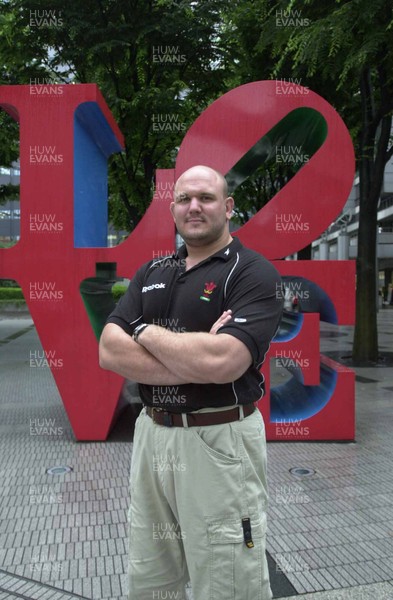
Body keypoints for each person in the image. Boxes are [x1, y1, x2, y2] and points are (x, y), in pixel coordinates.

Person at [99, 165, 283, 600]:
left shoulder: (253, 274)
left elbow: (225, 363)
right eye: (184, 199)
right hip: (152, 436)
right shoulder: (152, 271)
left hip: (218, 440)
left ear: (228, 207)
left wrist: (141, 331)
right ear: (173, 208)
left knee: (226, 578)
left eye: (206, 197)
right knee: (151, 575)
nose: (194, 207)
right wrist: (195, 355)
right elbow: (109, 350)